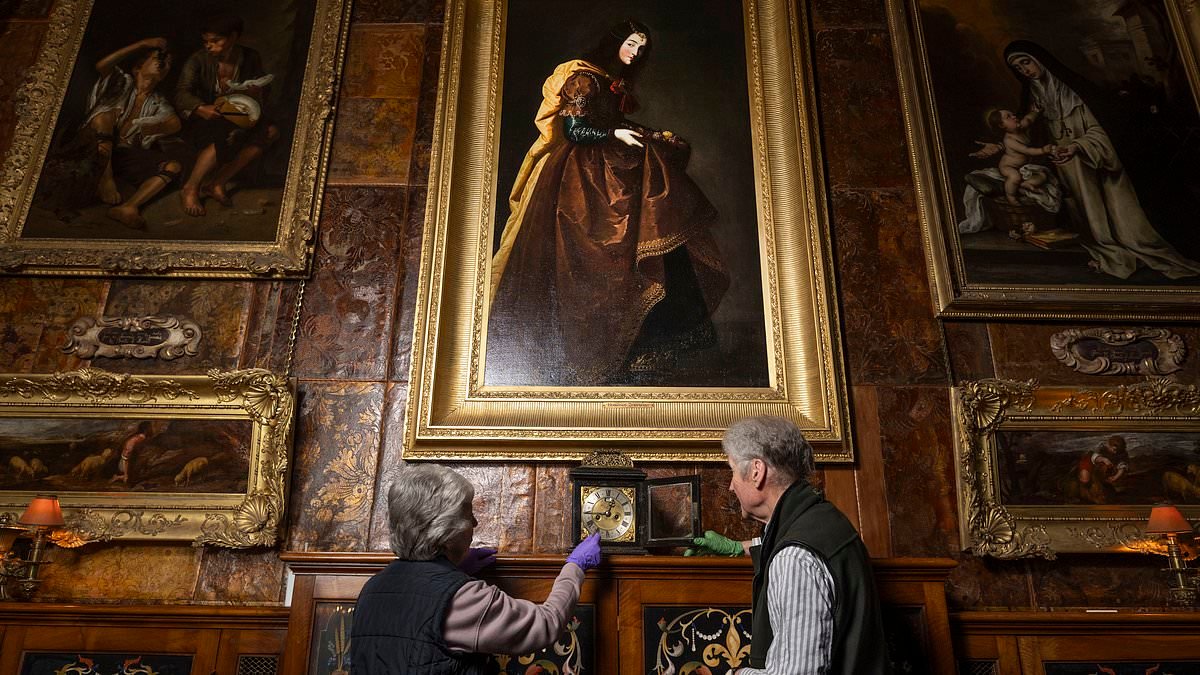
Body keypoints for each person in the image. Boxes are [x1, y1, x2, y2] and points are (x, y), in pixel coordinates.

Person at [486, 19, 729, 386]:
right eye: (631, 44)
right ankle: (596, 354)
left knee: (657, 222)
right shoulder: (583, 78)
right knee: (594, 257)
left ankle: (653, 345)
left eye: (641, 49)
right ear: (615, 42)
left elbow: (613, 119)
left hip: (614, 166)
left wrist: (646, 132)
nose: (635, 53)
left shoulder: (610, 80)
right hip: (581, 180)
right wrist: (615, 132)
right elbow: (576, 130)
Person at [974, 41, 1200, 279]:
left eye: (1026, 62)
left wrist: (1075, 147)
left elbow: (1101, 130)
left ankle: (1138, 248)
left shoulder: (1073, 89)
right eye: (1019, 68)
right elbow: (1021, 133)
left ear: (1039, 59)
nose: (1025, 70)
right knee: (1091, 223)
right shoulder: (1034, 96)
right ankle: (1109, 248)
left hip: (1096, 158)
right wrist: (999, 145)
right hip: (1067, 167)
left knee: (1130, 227)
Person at [350, 463, 602, 674]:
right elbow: (544, 624)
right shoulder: (462, 599)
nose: (474, 522)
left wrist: (455, 567)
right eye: (467, 514)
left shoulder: (373, 587)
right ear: (445, 528)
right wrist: (575, 566)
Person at [686, 416, 889, 674]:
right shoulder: (824, 518)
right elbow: (792, 541)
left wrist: (736, 673)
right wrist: (738, 547)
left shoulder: (794, 558)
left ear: (756, 472)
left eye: (733, 471)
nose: (730, 486)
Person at [174, 14, 279, 216]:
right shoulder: (197, 60)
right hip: (203, 117)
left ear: (232, 37)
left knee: (271, 132)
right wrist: (200, 108)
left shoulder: (250, 57)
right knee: (222, 133)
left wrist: (257, 91)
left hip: (237, 115)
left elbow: (263, 87)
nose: (209, 46)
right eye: (206, 41)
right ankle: (190, 188)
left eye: (215, 41)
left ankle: (218, 182)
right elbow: (181, 93)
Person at [84, 38, 184, 229]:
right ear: (138, 68)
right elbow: (102, 65)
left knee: (173, 166)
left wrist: (155, 128)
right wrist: (142, 45)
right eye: (157, 58)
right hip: (90, 145)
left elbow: (175, 123)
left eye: (168, 63)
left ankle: (129, 207)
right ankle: (105, 180)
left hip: (124, 154)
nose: (163, 64)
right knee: (103, 116)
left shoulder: (157, 101)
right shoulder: (120, 82)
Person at [983, 105, 1054, 205]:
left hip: (1023, 167)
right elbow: (1027, 151)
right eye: (1008, 117)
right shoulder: (1009, 140)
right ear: (1002, 125)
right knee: (1015, 177)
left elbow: (1028, 119)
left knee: (1043, 176)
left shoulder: (1020, 127)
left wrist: (1036, 112)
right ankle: (1011, 196)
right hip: (1008, 166)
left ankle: (1023, 185)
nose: (1014, 116)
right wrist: (1043, 150)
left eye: (1012, 114)